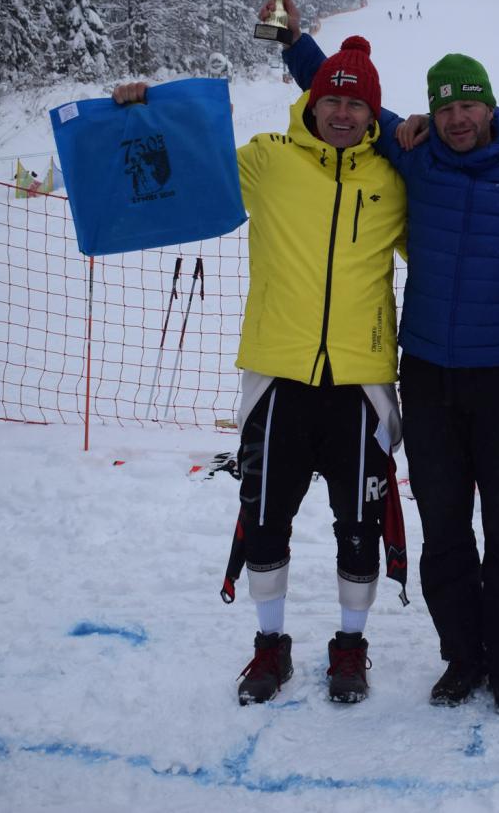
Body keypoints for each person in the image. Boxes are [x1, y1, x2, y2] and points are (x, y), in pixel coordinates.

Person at [267, 0, 499, 715]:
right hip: (428, 377)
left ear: (490, 107)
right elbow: (347, 100)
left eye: (468, 105)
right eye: (445, 106)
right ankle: (462, 658)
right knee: (444, 529)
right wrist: (295, 43)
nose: (457, 118)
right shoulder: (415, 155)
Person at [112, 35, 408, 707]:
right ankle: (270, 643)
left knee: (358, 526)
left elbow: (447, 242)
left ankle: (350, 645)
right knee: (266, 521)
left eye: (355, 105)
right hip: (277, 377)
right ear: (312, 102)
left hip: (361, 385)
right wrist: (144, 111)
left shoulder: (392, 181)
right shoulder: (270, 160)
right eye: (331, 100)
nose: (341, 114)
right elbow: (191, 165)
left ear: (373, 114)